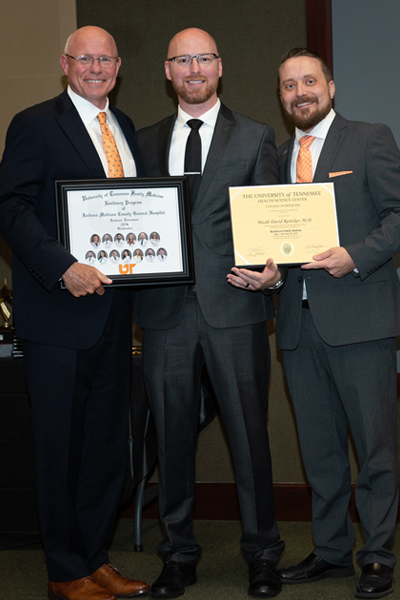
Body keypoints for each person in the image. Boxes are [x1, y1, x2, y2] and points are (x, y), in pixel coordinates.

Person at [227, 47, 400, 600]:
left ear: (331, 87)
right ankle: (331, 552)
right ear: (280, 96)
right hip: (298, 330)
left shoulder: (370, 138)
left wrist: (357, 254)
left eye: (309, 81)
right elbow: (278, 247)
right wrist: (269, 278)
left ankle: (375, 555)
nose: (299, 92)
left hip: (360, 318)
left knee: (374, 450)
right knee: (320, 451)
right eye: (288, 86)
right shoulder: (276, 159)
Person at [135, 27, 285, 599]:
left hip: (236, 308)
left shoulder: (256, 135)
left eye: (203, 58)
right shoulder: (143, 141)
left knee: (250, 437)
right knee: (171, 441)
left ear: (219, 67)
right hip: (165, 313)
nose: (193, 69)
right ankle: (177, 556)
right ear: (168, 72)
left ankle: (263, 554)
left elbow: (270, 218)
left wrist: (275, 270)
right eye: (182, 60)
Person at [0, 26, 149, 600]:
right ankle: (65, 570)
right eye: (84, 58)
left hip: (116, 316)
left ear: (118, 66)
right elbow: (10, 207)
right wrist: (62, 266)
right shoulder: (35, 123)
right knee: (59, 447)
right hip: (59, 316)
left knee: (104, 446)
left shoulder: (125, 128)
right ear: (66, 64)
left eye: (105, 59)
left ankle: (96, 558)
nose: (96, 67)